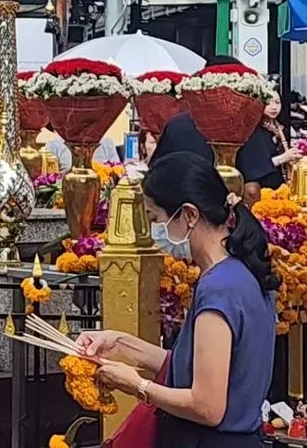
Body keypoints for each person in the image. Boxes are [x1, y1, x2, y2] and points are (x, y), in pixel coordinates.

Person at [78, 151, 277, 447]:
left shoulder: (219, 288)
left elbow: (206, 407)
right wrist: (119, 343)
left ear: (189, 215)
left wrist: (138, 386)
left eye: (155, 218)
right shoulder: (241, 272)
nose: (155, 230)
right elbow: (192, 366)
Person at [153, 56, 278, 206]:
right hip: (225, 220)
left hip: (179, 214)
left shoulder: (174, 125)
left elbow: (156, 173)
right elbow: (251, 191)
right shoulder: (245, 126)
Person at [258, 92, 301, 187]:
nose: (274, 107)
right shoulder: (255, 130)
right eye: (268, 103)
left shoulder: (279, 127)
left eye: (277, 102)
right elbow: (255, 166)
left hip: (281, 183)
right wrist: (284, 157)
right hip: (264, 187)